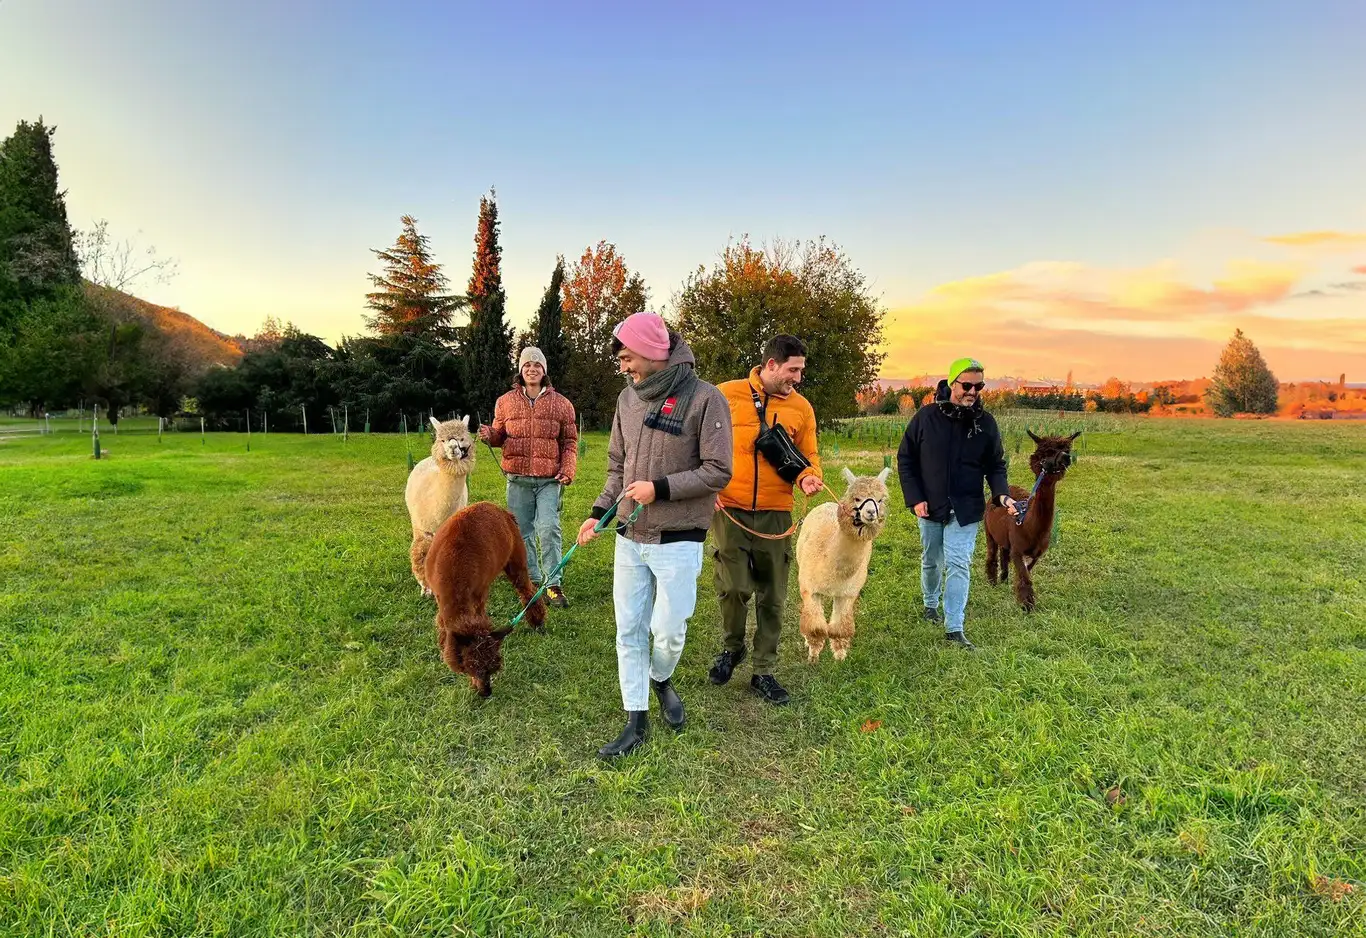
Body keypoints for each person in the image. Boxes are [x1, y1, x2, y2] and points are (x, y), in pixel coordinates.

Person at [577, 312, 733, 760]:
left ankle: (661, 678)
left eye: (627, 357)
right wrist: (598, 513)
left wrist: (659, 489)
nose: (623, 367)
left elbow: (719, 470)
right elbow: (616, 467)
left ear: (651, 351)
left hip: (679, 539)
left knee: (668, 631)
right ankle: (635, 720)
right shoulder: (626, 400)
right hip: (629, 535)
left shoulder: (706, 399)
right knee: (628, 631)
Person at [708, 335, 823, 705]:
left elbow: (810, 454)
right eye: (793, 369)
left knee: (772, 595)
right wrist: (705, 486)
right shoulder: (724, 395)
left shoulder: (802, 408)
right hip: (730, 508)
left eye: (801, 370)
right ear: (771, 365)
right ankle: (732, 648)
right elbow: (700, 444)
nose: (798, 378)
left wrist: (809, 475)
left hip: (777, 513)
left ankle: (763, 670)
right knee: (734, 587)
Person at [896, 357, 1018, 650]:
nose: (972, 392)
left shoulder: (986, 424)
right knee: (931, 560)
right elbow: (906, 459)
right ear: (952, 384)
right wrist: (916, 498)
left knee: (958, 563)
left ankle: (954, 627)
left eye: (979, 386)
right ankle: (929, 603)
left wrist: (1001, 495)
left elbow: (996, 465)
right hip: (930, 505)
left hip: (966, 507)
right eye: (967, 385)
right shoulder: (925, 418)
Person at [479, 347, 579, 608]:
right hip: (518, 479)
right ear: (520, 371)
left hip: (549, 480)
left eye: (537, 365)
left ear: (544, 371)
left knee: (549, 529)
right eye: (527, 365)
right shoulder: (505, 402)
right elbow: (500, 435)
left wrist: (567, 469)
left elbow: (569, 441)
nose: (532, 369)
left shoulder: (562, 404)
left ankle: (553, 583)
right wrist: (490, 435)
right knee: (521, 533)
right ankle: (532, 578)